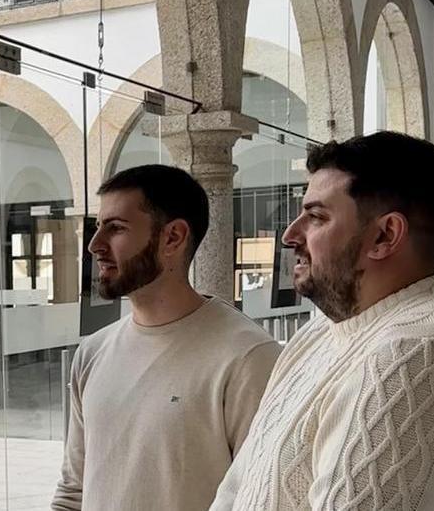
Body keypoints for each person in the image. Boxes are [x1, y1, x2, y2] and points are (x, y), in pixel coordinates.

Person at [210, 132, 434, 510]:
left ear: (384, 235)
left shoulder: (419, 354)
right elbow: (238, 489)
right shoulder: (322, 332)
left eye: (315, 217)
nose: (290, 234)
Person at [52, 165, 281, 511]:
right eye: (98, 228)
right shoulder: (92, 352)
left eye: (115, 228)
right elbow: (73, 491)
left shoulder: (248, 357)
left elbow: (261, 497)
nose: (95, 245)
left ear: (173, 237)